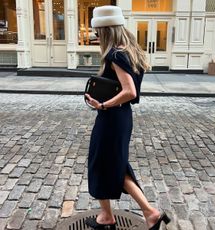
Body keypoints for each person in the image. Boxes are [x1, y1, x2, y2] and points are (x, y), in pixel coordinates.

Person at [84, 5, 171, 230]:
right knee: (116, 165)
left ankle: (113, 215)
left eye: (97, 32)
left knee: (98, 163)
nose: (96, 36)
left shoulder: (114, 54)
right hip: (122, 117)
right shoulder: (129, 50)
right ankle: (145, 214)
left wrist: (101, 104)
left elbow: (130, 91)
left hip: (112, 118)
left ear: (105, 31)